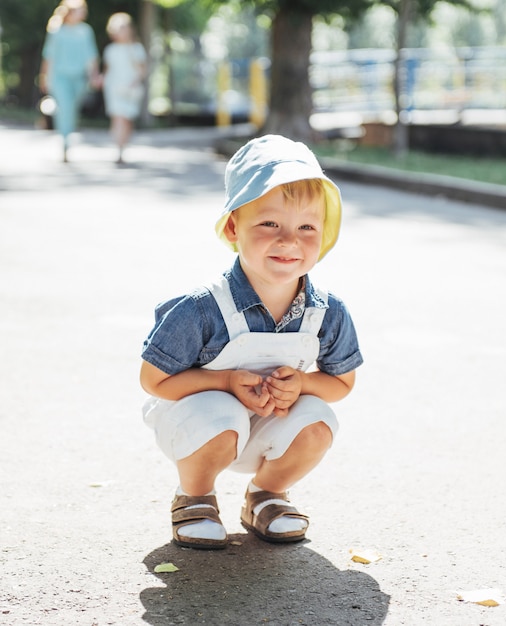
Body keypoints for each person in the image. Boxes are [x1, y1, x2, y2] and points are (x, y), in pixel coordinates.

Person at [140, 135, 363, 550]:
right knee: (220, 416)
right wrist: (224, 382)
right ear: (232, 226)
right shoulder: (202, 308)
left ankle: (266, 495)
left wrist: (303, 384)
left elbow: (342, 383)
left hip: (267, 426)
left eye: (307, 227)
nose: (289, 240)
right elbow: (154, 381)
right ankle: (195, 496)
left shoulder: (327, 312)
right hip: (199, 427)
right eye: (269, 224)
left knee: (317, 423)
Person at [39, 0, 100, 162]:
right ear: (70, 12)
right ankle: (65, 143)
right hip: (60, 78)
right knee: (65, 108)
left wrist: (94, 75)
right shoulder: (57, 31)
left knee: (72, 110)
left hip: (79, 78)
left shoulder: (86, 31)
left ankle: (67, 136)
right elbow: (49, 56)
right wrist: (44, 76)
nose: (83, 13)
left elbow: (91, 56)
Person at [102, 12, 147, 164]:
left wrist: (133, 83)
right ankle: (118, 149)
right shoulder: (110, 50)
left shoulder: (136, 48)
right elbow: (107, 71)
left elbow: (141, 70)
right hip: (114, 87)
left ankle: (123, 146)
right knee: (118, 117)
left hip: (130, 89)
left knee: (127, 119)